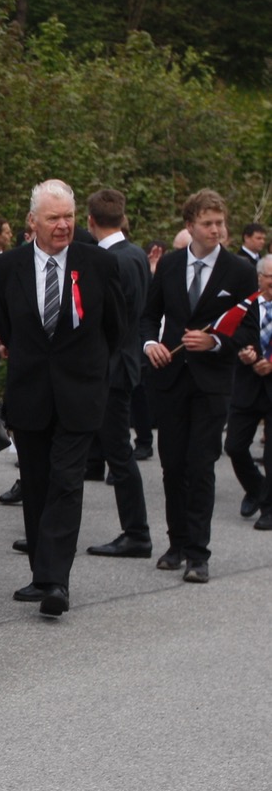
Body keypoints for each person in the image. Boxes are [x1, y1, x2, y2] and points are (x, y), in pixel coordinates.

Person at [0, 180, 123, 615]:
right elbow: (5, 327)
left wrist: (98, 376)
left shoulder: (97, 264)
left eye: (68, 217)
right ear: (33, 221)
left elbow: (115, 328)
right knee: (39, 484)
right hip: (30, 395)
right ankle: (40, 574)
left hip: (80, 394)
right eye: (53, 218)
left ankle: (56, 582)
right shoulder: (7, 267)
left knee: (66, 483)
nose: (63, 225)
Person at [141, 189, 258, 582]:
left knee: (200, 464)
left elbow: (249, 328)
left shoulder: (240, 271)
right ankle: (176, 543)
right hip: (171, 379)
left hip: (212, 383)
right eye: (207, 223)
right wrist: (150, 344)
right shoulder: (171, 266)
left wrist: (216, 341)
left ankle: (198, 553)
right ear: (189, 225)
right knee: (172, 465)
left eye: (220, 223)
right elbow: (147, 316)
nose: (216, 230)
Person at [83, 189, 155, 559]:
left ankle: (137, 532)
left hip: (110, 368)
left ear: (91, 221)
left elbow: (104, 320)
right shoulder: (137, 254)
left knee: (118, 453)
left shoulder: (108, 261)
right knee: (108, 449)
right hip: (124, 363)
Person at [226, 257, 272, 530]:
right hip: (247, 384)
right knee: (234, 445)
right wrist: (244, 353)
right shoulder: (246, 306)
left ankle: (268, 508)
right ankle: (257, 488)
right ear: (259, 278)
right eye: (270, 277)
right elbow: (233, 335)